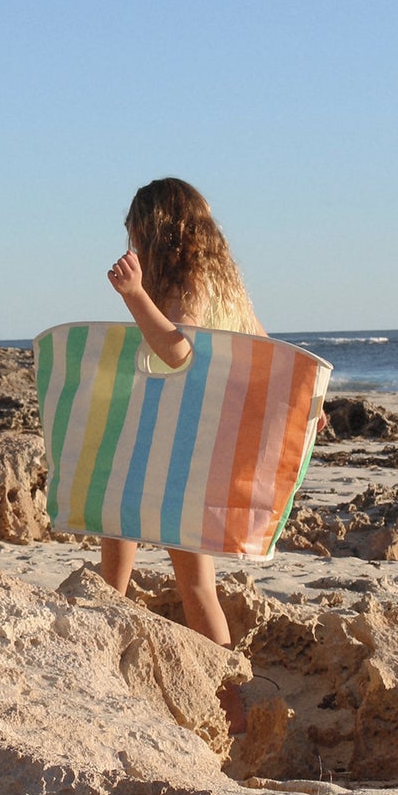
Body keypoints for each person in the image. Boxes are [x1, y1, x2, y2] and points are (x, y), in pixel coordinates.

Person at [101, 176, 266, 654]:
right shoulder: (225, 286)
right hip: (188, 440)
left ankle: (222, 698)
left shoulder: (190, 282)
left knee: (154, 580)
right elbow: (267, 352)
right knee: (191, 585)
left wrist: (134, 295)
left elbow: (179, 351)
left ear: (158, 231)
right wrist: (307, 403)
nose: (130, 243)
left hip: (173, 444)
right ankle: (226, 702)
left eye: (135, 233)